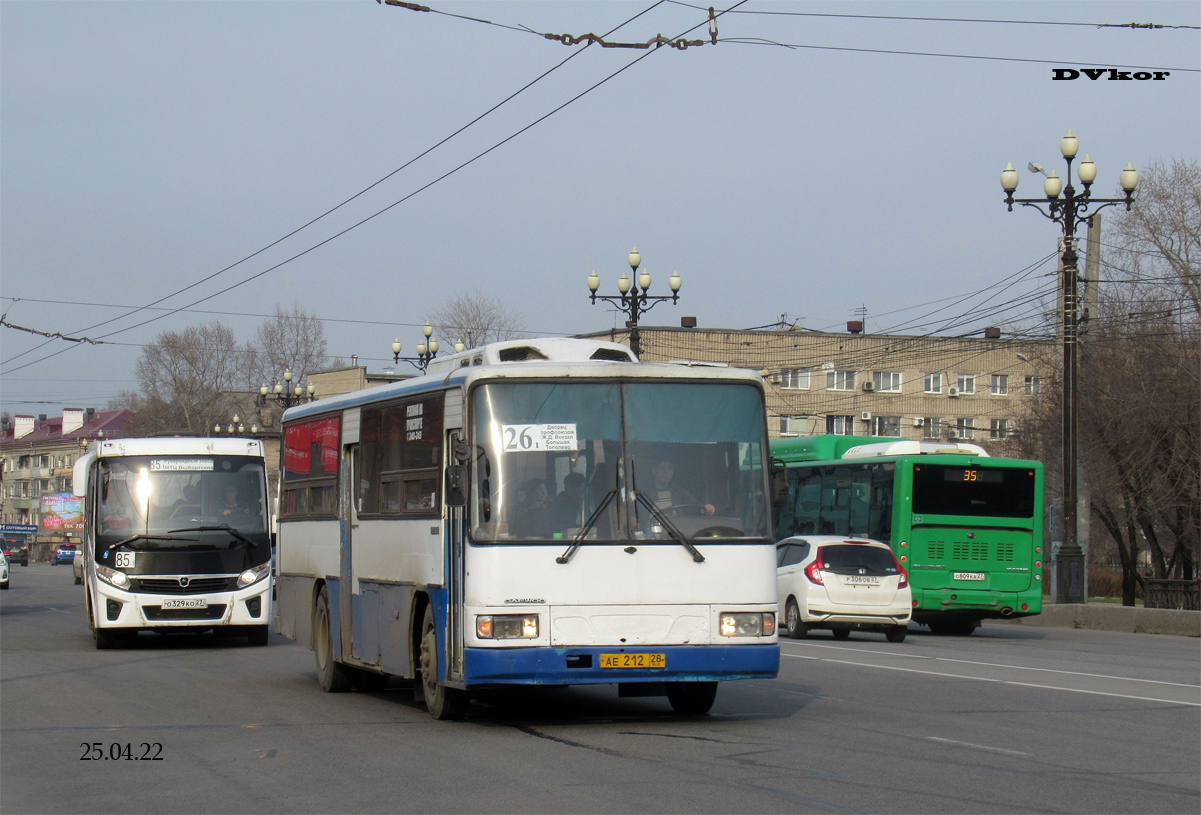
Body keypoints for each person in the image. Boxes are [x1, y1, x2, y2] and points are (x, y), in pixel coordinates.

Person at [650, 459, 714, 516]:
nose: (666, 472)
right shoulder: (645, 494)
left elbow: (697, 507)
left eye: (669, 468)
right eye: (662, 468)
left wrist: (707, 508)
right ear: (654, 470)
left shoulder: (680, 493)